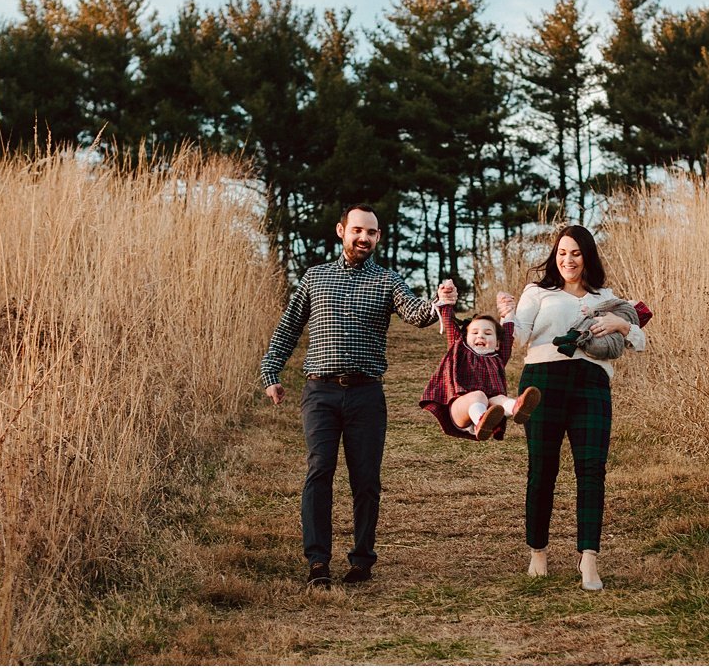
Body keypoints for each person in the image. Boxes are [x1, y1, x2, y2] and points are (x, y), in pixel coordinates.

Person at [261, 204, 456, 590]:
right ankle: (318, 562)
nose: (363, 238)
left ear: (378, 237)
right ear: (341, 231)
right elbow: (288, 328)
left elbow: (416, 314)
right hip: (320, 391)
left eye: (371, 232)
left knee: (366, 480)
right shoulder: (315, 278)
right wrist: (272, 372)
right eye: (357, 230)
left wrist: (440, 301)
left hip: (367, 394)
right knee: (320, 471)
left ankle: (362, 561)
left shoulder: (388, 281)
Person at [498, 224, 646, 591]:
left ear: (587, 257)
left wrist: (621, 325)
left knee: (592, 469)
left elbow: (640, 340)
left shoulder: (606, 296)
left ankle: (589, 558)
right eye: (563, 252)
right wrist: (506, 317)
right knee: (542, 468)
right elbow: (517, 339)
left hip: (592, 384)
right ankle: (538, 552)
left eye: (576, 253)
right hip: (543, 383)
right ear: (555, 256)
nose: (568, 259)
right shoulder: (538, 291)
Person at [418, 280, 541, 442]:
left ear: (497, 343)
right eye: (475, 332)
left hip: (490, 408)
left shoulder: (498, 357)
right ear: (465, 337)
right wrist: (446, 298)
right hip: (460, 408)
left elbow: (508, 334)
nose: (481, 336)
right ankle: (480, 421)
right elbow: (448, 322)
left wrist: (509, 313)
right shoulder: (459, 349)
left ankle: (517, 407)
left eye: (488, 333)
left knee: (499, 399)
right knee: (479, 395)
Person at [551, 298, 652, 359]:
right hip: (551, 363)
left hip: (597, 368)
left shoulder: (610, 298)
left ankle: (573, 337)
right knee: (591, 322)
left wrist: (621, 325)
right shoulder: (541, 292)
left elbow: (640, 344)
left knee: (588, 320)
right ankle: (574, 343)